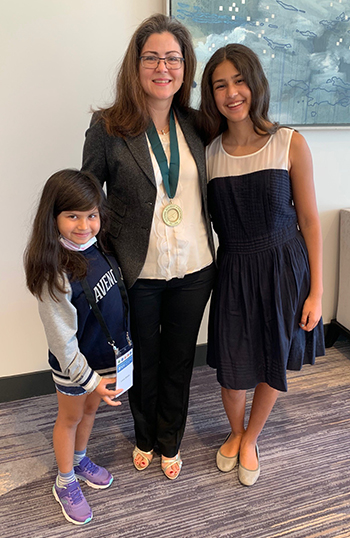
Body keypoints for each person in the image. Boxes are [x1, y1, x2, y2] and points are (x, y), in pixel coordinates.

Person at [81, 13, 215, 480]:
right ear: (135, 66)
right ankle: (143, 434)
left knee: (179, 357)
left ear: (185, 66)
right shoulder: (108, 126)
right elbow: (87, 197)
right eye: (152, 57)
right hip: (136, 269)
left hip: (196, 266)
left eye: (173, 58)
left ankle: (170, 438)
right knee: (142, 358)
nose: (163, 67)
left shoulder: (200, 125)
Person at [200, 44, 325, 486]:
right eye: (220, 85)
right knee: (232, 374)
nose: (232, 93)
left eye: (239, 81)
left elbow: (310, 221)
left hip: (284, 269)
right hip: (234, 270)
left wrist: (317, 292)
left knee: (274, 359)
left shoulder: (289, 142)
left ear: (255, 84)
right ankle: (234, 432)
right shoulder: (209, 154)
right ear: (210, 94)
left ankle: (251, 437)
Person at [24, 169, 131, 524]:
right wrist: (90, 380)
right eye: (73, 216)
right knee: (70, 417)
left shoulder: (98, 248)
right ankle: (65, 480)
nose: (84, 225)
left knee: (90, 413)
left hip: (102, 359)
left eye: (92, 215)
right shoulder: (53, 272)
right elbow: (63, 342)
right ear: (53, 217)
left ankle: (81, 459)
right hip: (75, 367)